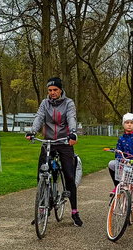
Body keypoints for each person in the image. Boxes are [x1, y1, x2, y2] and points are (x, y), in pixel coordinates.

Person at [26, 77, 82, 227]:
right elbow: (39, 117)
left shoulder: (68, 103)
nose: (52, 93)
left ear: (60, 90)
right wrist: (32, 131)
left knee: (69, 176)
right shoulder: (45, 103)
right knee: (41, 175)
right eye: (50, 90)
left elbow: (71, 117)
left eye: (55, 90)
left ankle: (75, 212)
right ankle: (42, 211)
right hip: (48, 142)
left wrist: (73, 133)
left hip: (64, 142)